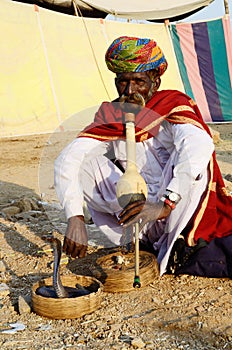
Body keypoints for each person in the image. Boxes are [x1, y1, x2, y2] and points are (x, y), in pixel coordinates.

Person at [54, 36, 232, 276]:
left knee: (189, 155)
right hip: (136, 218)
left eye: (138, 81)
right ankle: (141, 241)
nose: (130, 91)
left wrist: (165, 204)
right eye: (123, 82)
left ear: (155, 82)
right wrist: (74, 216)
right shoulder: (111, 114)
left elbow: (199, 144)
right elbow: (68, 159)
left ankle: (176, 239)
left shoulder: (171, 104)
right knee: (85, 163)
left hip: (176, 208)